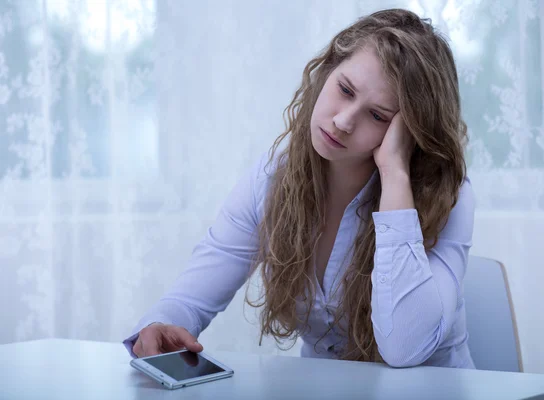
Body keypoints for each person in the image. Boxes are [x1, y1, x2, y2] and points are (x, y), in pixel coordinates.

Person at [123, 8, 475, 369]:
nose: (342, 121)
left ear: (410, 131)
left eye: (377, 116)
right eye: (345, 89)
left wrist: (396, 174)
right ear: (327, 71)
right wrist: (159, 326)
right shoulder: (274, 175)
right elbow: (196, 292)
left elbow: (404, 347)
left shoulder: (447, 195)